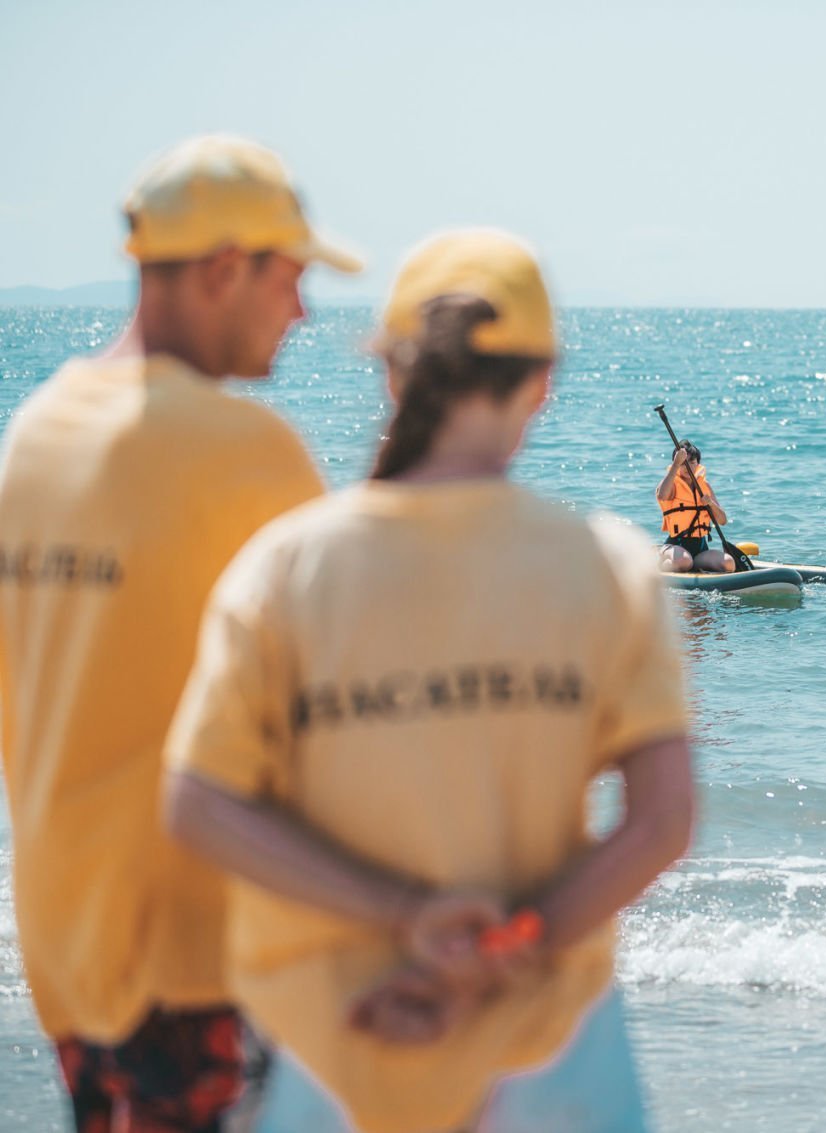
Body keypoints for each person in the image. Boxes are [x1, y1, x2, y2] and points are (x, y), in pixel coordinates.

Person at [162, 229, 696, 1133]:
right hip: (549, 1039)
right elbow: (660, 823)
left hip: (337, 1030)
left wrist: (408, 915)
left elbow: (198, 804)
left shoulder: (284, 567)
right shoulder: (606, 568)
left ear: (392, 372)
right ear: (543, 383)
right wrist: (506, 946)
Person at [0, 134, 359, 1132]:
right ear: (223, 268)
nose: (302, 309)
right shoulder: (243, 451)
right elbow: (335, 713)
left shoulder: (35, 434)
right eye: (291, 277)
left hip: (66, 944)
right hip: (200, 954)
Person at [656, 439, 734, 572]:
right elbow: (661, 495)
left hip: (700, 548)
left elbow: (723, 521)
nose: (688, 467)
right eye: (683, 463)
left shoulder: (704, 486)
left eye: (692, 462)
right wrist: (676, 464)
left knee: (728, 563)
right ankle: (658, 565)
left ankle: (693, 566)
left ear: (698, 464)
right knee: (684, 561)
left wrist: (711, 504)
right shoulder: (672, 483)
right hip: (675, 546)